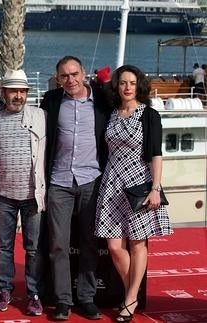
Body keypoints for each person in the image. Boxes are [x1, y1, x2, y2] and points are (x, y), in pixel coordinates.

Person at [95, 65, 172, 322]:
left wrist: (156, 188)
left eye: (132, 82)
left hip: (139, 182)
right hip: (112, 182)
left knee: (138, 242)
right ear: (117, 86)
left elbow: (156, 154)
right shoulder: (112, 113)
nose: (127, 87)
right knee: (114, 246)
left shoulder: (148, 115)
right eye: (123, 82)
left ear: (139, 86)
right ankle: (134, 292)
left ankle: (129, 299)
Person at [40, 56, 110, 321]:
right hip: (59, 182)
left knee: (90, 243)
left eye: (74, 74)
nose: (70, 80)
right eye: (64, 76)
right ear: (58, 79)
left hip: (92, 180)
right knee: (58, 244)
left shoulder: (102, 101)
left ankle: (87, 298)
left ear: (84, 74)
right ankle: (62, 301)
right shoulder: (51, 100)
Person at [0, 69, 47, 314]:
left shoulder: (41, 116)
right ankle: (4, 290)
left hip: (33, 196)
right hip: (2, 195)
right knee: (3, 247)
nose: (18, 96)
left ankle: (34, 294)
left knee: (33, 249)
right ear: (3, 92)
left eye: (22, 91)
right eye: (13, 91)